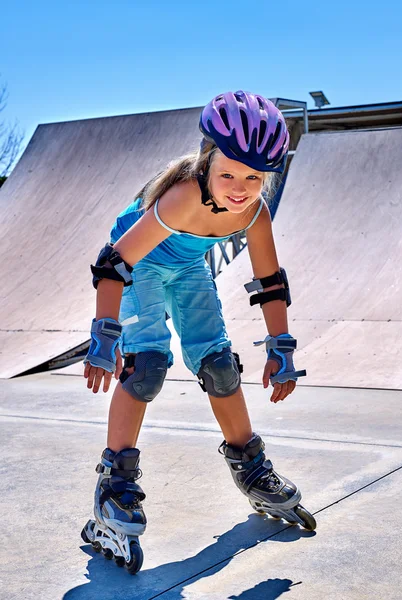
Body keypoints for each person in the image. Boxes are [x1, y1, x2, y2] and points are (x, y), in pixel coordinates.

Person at [81, 91, 316, 574]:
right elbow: (115, 261)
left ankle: (250, 466)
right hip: (138, 266)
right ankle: (115, 484)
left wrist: (282, 346)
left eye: (254, 177)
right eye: (229, 173)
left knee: (220, 366)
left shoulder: (254, 211)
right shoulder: (183, 195)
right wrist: (105, 336)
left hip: (187, 267)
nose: (240, 187)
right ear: (207, 160)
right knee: (145, 368)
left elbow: (271, 282)